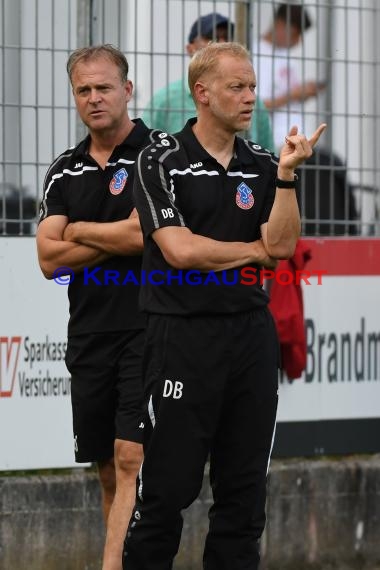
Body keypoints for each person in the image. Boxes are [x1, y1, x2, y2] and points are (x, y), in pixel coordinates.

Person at [122, 42, 326, 569]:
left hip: (250, 338)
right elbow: (180, 250)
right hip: (181, 338)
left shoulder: (262, 163)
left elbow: (280, 247)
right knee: (167, 491)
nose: (250, 97)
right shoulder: (160, 157)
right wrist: (253, 251)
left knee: (243, 495)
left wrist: (285, 176)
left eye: (253, 86)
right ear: (203, 93)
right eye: (238, 87)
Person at [36, 45, 161, 570]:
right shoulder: (64, 169)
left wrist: (81, 231)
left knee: (132, 457)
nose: (94, 98)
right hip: (88, 333)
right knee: (108, 468)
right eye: (83, 90)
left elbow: (146, 235)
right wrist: (117, 236)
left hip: (149, 324)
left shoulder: (159, 153)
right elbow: (48, 258)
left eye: (104, 87)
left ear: (127, 90)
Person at [143, 12, 275, 151]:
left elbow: (268, 156)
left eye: (228, 38)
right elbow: (146, 152)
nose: (222, 43)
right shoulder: (164, 101)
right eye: (212, 38)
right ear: (190, 49)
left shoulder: (255, 103)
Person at [254, 2, 325, 151]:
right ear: (280, 25)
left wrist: (303, 93)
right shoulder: (257, 55)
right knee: (331, 165)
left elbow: (287, 94)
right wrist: (294, 94)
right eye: (295, 34)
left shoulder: (284, 54)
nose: (298, 41)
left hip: (296, 140)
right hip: (275, 143)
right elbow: (257, 106)